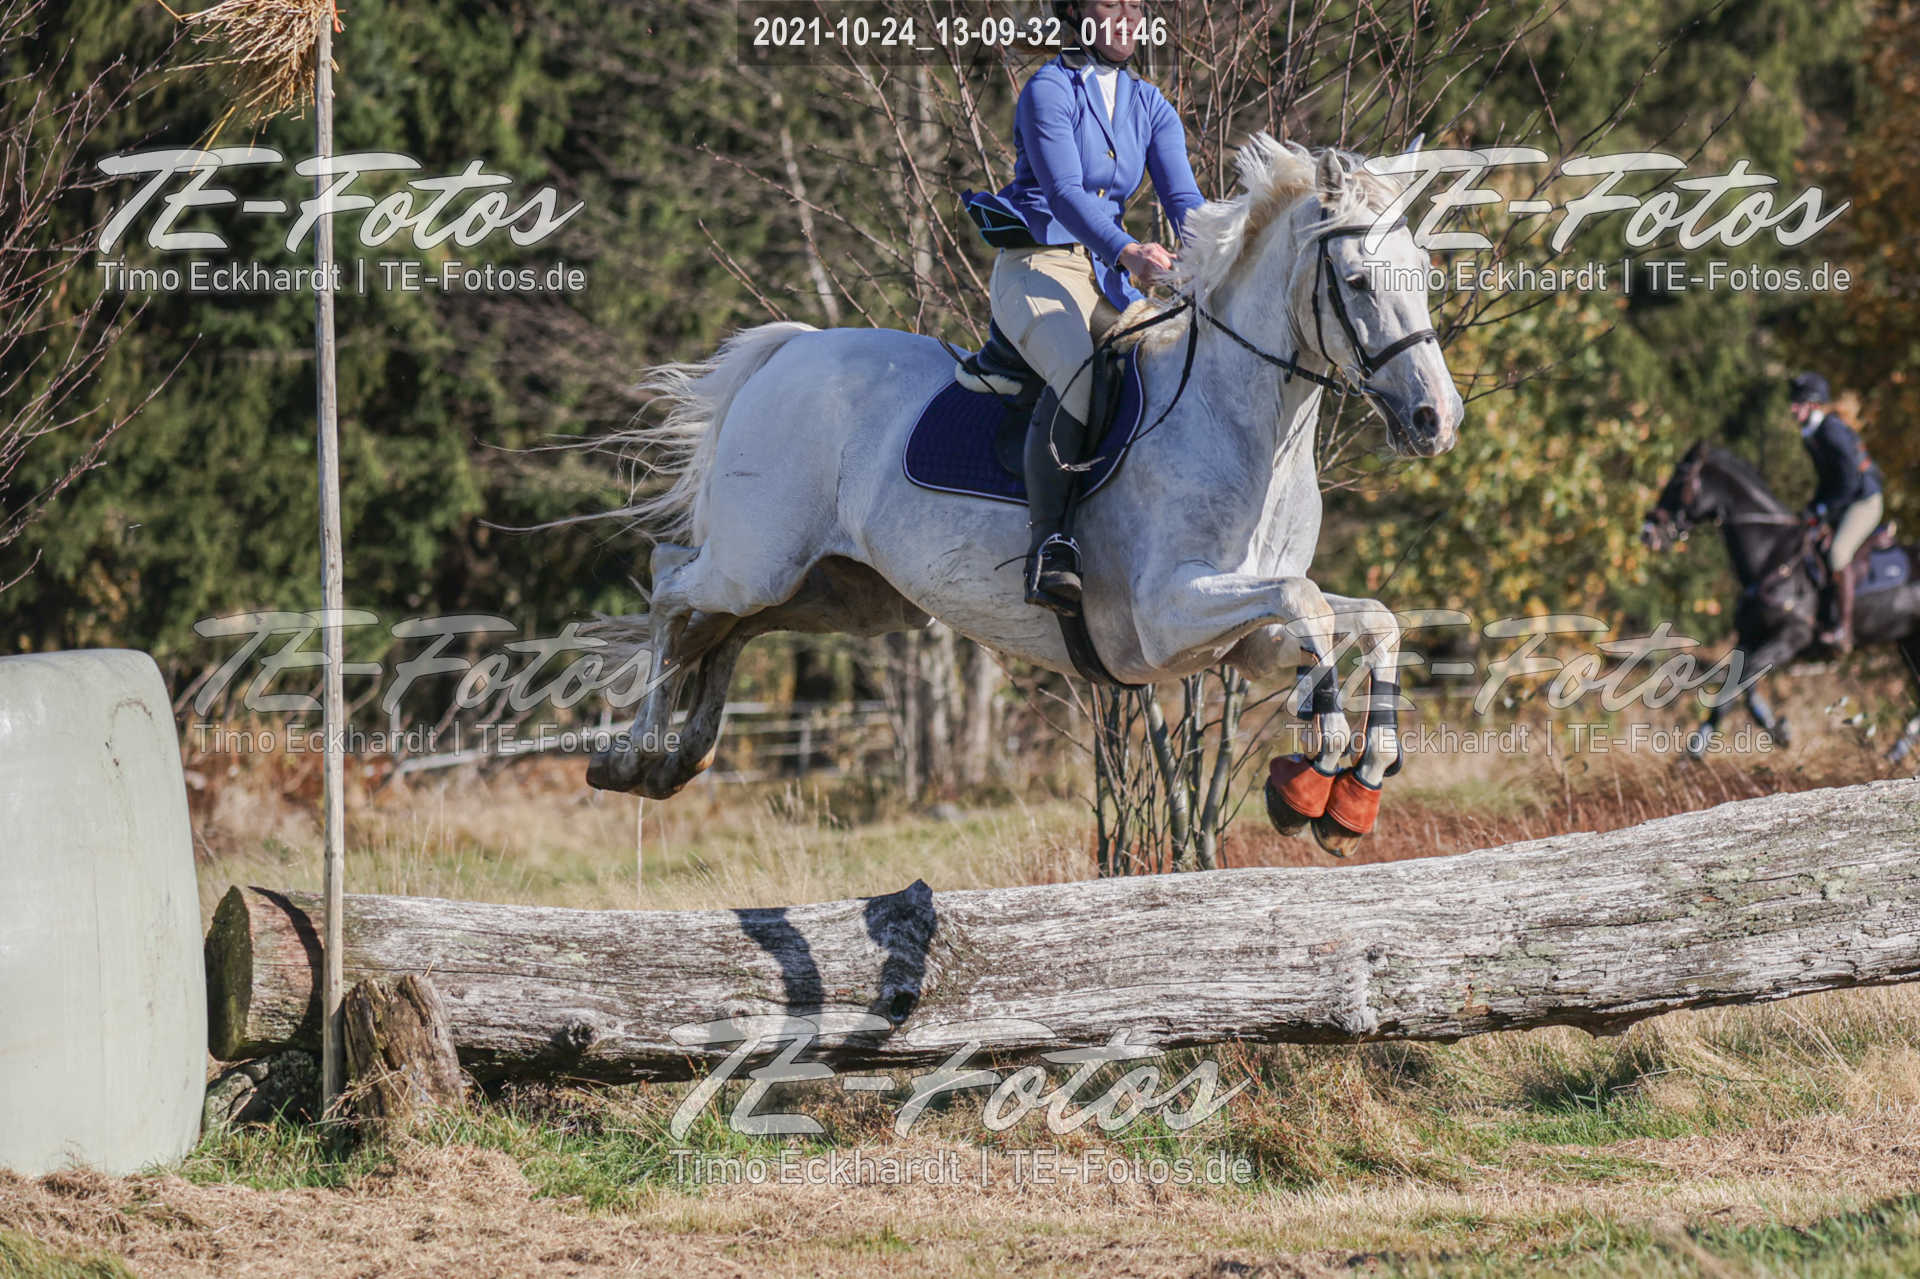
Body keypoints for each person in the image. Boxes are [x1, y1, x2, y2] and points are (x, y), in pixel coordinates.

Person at [960, 0, 1205, 617]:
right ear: (1074, 11)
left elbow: (1183, 200)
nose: (1127, 17)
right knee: (1078, 372)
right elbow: (1065, 194)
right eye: (1110, 4)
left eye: (1135, 6)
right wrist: (1129, 251)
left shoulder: (1151, 104)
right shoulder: (1048, 89)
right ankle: (1050, 547)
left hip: (1107, 280)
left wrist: (1219, 254)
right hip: (1037, 267)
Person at [1789, 371, 1884, 652]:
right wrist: (1812, 509)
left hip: (1864, 501)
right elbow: (1829, 481)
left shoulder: (1830, 430)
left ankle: (1845, 629)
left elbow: (1849, 482)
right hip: (1846, 499)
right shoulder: (1813, 433)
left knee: (1838, 553)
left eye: (1797, 403)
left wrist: (1823, 510)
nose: (1792, 408)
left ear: (1813, 405)